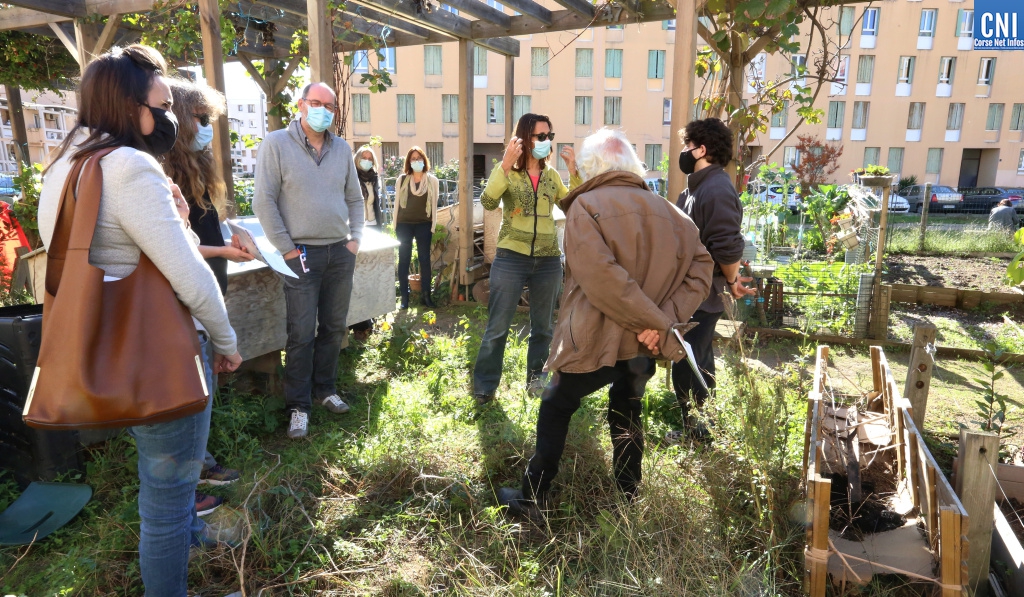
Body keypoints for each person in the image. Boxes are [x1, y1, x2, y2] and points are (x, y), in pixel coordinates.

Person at [37, 45, 242, 597]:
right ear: (130, 107)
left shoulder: (64, 166)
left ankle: (179, 557)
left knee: (160, 495)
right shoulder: (129, 167)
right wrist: (225, 339)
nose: (171, 115)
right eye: (162, 103)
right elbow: (190, 275)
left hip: (101, 350)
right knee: (168, 503)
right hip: (159, 353)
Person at [497, 128, 713, 514]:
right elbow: (702, 269)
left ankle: (533, 497)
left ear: (591, 167)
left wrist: (658, 324)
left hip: (594, 338)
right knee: (628, 406)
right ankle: (629, 497)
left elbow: (603, 279)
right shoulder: (673, 213)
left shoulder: (586, 207)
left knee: (556, 404)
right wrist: (663, 322)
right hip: (644, 344)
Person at [252, 82, 364, 439]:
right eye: (316, 103)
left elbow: (356, 199)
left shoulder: (342, 148)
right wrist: (286, 248)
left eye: (329, 106)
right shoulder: (276, 144)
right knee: (301, 333)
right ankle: (298, 407)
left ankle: (325, 390)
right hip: (300, 254)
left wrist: (355, 239)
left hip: (339, 252)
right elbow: (264, 201)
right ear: (301, 105)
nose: (323, 111)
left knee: (333, 327)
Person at [164, 77, 253, 515]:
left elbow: (204, 225)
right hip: (181, 302)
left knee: (201, 394)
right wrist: (222, 250)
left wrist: (233, 232)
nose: (206, 128)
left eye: (209, 120)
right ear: (179, 118)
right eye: (200, 119)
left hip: (206, 293)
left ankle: (200, 464)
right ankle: (186, 489)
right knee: (187, 396)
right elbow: (171, 244)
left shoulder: (196, 164)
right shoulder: (158, 170)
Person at [472, 113, 581, 404]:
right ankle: (484, 387)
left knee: (544, 328)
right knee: (497, 327)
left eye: (549, 136)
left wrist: (574, 172)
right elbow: (488, 202)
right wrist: (505, 166)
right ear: (525, 138)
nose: (547, 142)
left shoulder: (552, 176)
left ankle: (536, 380)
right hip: (511, 257)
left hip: (547, 260)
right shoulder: (509, 172)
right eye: (541, 136)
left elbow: (576, 208)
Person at [669, 117, 757, 443]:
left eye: (687, 146)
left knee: (692, 365)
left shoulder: (717, 188)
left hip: (701, 295)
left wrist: (731, 279)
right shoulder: (698, 186)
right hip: (692, 293)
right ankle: (699, 429)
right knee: (695, 361)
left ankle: (701, 435)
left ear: (701, 149)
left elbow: (727, 245)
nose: (683, 152)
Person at [392, 146, 439, 309]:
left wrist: (433, 225)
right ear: (408, 162)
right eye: (413, 158)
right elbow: (397, 202)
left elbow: (434, 206)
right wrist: (395, 223)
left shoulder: (432, 181)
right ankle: (405, 298)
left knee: (424, 260)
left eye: (419, 158)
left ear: (424, 160)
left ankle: (426, 296)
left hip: (424, 225)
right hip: (404, 225)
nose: (416, 161)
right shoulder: (402, 180)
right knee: (404, 259)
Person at [349, 144, 384, 340]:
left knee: (371, 274)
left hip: (372, 229)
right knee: (356, 276)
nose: (367, 161)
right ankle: (358, 322)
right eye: (364, 157)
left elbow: (376, 206)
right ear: (357, 159)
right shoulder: (351, 177)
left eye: (370, 158)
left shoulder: (374, 179)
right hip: (355, 232)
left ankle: (369, 315)